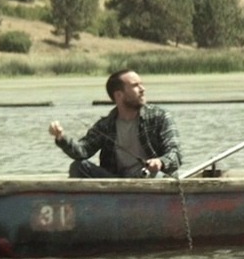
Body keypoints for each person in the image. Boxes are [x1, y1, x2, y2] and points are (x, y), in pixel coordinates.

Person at [49, 69, 182, 178]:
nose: (143, 89)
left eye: (141, 84)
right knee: (78, 167)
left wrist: (160, 162)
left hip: (153, 178)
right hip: (117, 181)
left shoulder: (160, 117)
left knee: (160, 177)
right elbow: (82, 151)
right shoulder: (106, 124)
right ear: (119, 95)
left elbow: (175, 153)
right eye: (135, 86)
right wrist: (61, 137)